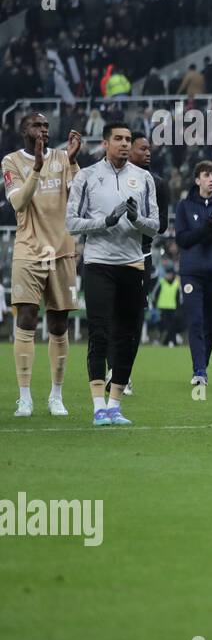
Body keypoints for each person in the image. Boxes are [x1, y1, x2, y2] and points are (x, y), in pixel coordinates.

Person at [65, 122, 159, 425]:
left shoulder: (143, 178)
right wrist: (106, 221)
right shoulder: (87, 176)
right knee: (100, 331)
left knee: (127, 336)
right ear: (106, 143)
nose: (123, 144)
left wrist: (134, 218)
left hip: (132, 263)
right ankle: (97, 407)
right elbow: (71, 223)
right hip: (98, 263)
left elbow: (154, 226)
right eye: (117, 138)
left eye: (128, 139)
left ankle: (115, 405)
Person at [3, 113, 80, 417]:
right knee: (26, 317)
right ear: (24, 130)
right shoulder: (11, 161)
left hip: (61, 250)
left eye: (46, 127)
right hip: (28, 249)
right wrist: (36, 168)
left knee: (59, 324)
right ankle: (25, 396)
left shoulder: (62, 158)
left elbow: (78, 197)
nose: (43, 131)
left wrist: (73, 161)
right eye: (37, 126)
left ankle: (56, 395)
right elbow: (18, 202)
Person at [175, 160, 212, 386]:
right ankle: (199, 371)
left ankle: (202, 366)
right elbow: (182, 240)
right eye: (206, 175)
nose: (211, 179)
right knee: (195, 321)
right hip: (192, 273)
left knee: (211, 324)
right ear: (197, 180)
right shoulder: (184, 206)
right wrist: (203, 230)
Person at [124, 132, 170, 396]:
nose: (148, 153)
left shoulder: (158, 183)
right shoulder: (111, 179)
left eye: (149, 149)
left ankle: (123, 374)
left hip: (141, 255)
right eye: (142, 149)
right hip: (110, 255)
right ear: (128, 150)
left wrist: (137, 219)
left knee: (134, 317)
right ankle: (110, 370)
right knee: (111, 316)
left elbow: (162, 225)